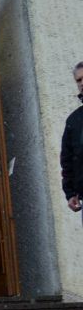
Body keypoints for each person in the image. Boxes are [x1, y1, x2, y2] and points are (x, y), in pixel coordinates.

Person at [61, 62, 83, 220]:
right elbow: (67, 160)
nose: (82, 83)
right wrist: (70, 193)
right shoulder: (73, 121)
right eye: (78, 80)